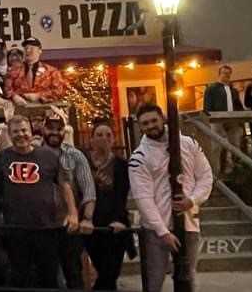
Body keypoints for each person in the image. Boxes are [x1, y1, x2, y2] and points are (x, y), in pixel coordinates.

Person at [0, 115, 79, 289]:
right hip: (16, 229)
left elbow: (65, 185)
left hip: (46, 228)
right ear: (9, 134)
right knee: (20, 278)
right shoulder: (1, 159)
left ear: (31, 131)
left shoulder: (49, 156)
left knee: (49, 277)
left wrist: (72, 213)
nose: (20, 135)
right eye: (15, 132)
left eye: (24, 130)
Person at [129, 104, 213, 292]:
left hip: (188, 223)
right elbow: (143, 198)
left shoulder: (189, 144)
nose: (151, 126)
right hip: (156, 230)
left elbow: (206, 177)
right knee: (154, 281)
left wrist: (192, 200)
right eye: (145, 123)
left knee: (188, 277)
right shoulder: (139, 157)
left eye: (154, 120)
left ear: (163, 119)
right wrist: (162, 231)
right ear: (140, 127)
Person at [43, 114, 96, 290]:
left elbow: (88, 190)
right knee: (47, 274)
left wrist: (87, 218)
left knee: (73, 272)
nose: (54, 132)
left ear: (64, 131)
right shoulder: (35, 154)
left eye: (58, 129)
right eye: (50, 128)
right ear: (43, 129)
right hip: (43, 224)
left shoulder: (75, 155)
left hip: (70, 225)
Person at [86, 121, 131, 291]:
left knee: (111, 272)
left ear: (113, 140)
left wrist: (119, 220)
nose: (103, 138)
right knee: (103, 271)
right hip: (91, 226)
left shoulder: (122, 165)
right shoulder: (84, 163)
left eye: (108, 135)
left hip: (115, 226)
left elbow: (122, 196)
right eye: (99, 135)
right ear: (91, 140)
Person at [203, 64, 245, 174]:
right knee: (217, 147)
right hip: (217, 122)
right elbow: (206, 107)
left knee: (235, 146)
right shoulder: (211, 89)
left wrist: (241, 123)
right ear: (219, 74)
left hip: (233, 122)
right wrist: (209, 121)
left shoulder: (233, 91)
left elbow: (239, 107)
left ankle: (235, 171)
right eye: (224, 73)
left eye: (228, 73)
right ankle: (217, 172)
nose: (226, 75)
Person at [6, 37, 68, 105]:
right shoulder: (13, 71)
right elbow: (6, 88)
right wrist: (14, 96)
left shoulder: (51, 71)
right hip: (20, 110)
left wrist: (39, 95)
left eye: (32, 48)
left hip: (45, 110)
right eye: (26, 48)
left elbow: (60, 91)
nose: (28, 51)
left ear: (40, 51)